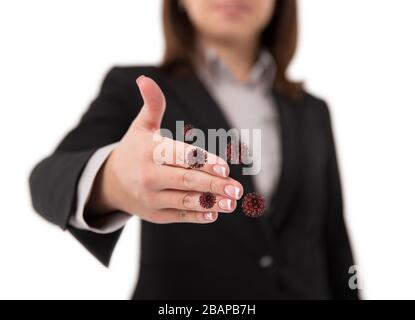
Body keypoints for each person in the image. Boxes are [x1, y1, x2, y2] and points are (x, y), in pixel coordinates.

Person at [29, 0, 358, 299]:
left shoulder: (313, 110)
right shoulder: (137, 90)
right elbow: (47, 179)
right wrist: (113, 180)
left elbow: (334, 239)